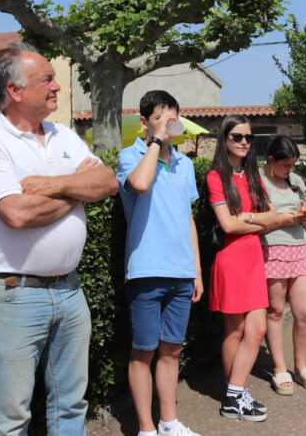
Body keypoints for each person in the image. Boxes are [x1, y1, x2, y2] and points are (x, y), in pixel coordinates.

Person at [0, 46, 118, 435]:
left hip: (70, 290)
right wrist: (78, 189)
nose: (56, 86)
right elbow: (17, 214)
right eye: (46, 79)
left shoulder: (64, 135)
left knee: (71, 405)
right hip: (13, 293)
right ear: (15, 91)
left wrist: (51, 185)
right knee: (11, 416)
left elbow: (107, 182)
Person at [116, 90, 202, 436]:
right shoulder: (130, 156)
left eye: (173, 118)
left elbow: (188, 219)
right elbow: (139, 183)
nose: (168, 125)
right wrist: (155, 142)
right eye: (159, 118)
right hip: (146, 270)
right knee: (144, 351)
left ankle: (169, 421)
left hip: (181, 271)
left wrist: (196, 271)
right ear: (144, 122)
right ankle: (146, 428)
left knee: (172, 349)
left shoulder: (185, 164)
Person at [206, 115, 277, 422]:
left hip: (253, 258)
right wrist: (255, 220)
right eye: (237, 136)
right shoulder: (215, 177)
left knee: (257, 329)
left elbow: (272, 216)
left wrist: (246, 218)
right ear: (224, 139)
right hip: (232, 260)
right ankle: (237, 394)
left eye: (248, 137)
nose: (244, 142)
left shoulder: (252, 176)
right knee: (234, 331)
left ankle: (233, 394)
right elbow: (227, 225)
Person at [258, 135, 306, 396]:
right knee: (274, 311)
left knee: (305, 312)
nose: (290, 170)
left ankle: (301, 365)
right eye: (285, 165)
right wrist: (285, 219)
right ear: (271, 160)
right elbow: (258, 220)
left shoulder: (296, 181)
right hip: (272, 248)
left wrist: (305, 218)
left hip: (300, 247)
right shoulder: (257, 182)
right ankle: (279, 367)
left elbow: (305, 216)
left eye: (292, 165)